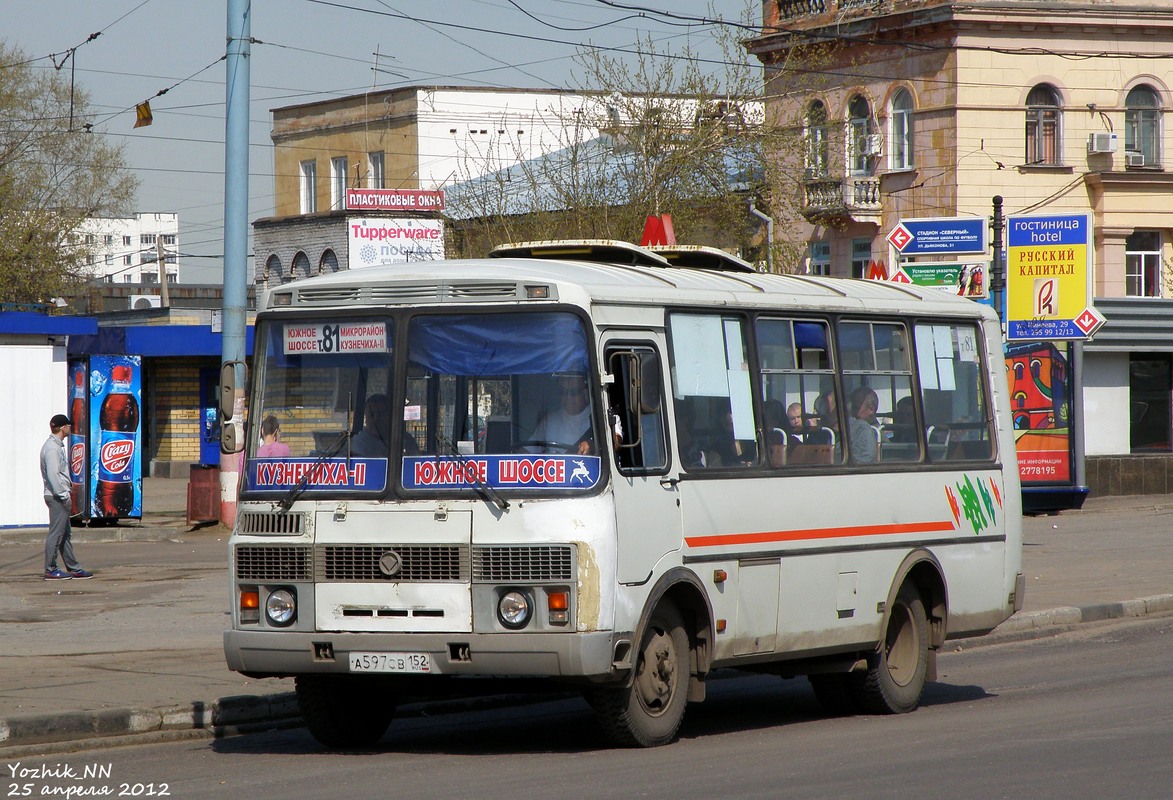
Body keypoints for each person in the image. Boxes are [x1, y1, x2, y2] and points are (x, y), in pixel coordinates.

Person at [40, 414, 92, 581]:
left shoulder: (56, 446)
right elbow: (54, 475)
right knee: (56, 534)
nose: (70, 427)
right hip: (56, 496)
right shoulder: (52, 449)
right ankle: (50, 569)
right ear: (63, 428)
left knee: (64, 534)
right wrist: (64, 495)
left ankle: (73, 568)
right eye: (68, 425)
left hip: (59, 495)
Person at [533, 374, 593, 454]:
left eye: (574, 391)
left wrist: (592, 445)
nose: (568, 397)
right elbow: (528, 451)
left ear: (585, 391)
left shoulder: (597, 419)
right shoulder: (549, 421)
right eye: (563, 392)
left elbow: (613, 443)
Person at [847, 386, 879, 463]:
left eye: (855, 407)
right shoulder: (852, 429)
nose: (851, 412)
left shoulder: (876, 434)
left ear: (871, 410)